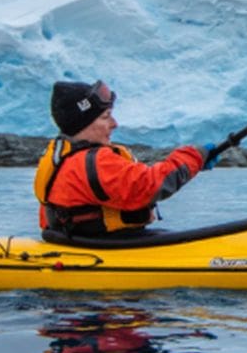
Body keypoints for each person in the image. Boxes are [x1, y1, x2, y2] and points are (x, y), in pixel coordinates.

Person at [34, 79, 219, 238]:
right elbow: (149, 186)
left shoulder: (62, 155)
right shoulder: (97, 162)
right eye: (106, 117)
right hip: (105, 246)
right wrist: (194, 156)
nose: (114, 124)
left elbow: (128, 179)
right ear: (83, 124)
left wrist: (195, 164)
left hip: (80, 241)